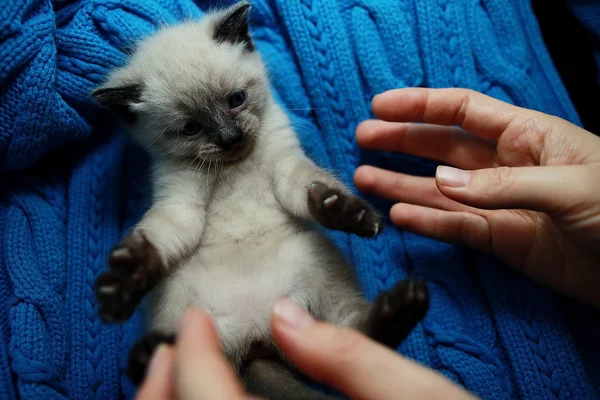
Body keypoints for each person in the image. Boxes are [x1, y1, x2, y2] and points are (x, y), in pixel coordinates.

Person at [134, 88, 600, 400]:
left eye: (235, 101)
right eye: (192, 129)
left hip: (277, 273)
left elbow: (289, 173)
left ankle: (357, 324)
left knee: (305, 248)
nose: (230, 135)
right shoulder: (173, 157)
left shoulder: (267, 117)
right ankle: (170, 349)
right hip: (213, 299)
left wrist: (322, 198)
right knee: (179, 280)